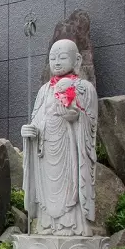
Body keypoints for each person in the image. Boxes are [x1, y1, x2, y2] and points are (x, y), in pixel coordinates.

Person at [21, 39, 98, 237]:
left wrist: (76, 116)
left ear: (77, 60)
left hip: (69, 147)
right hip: (45, 149)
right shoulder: (44, 90)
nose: (56, 62)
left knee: (69, 185)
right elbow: (38, 119)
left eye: (62, 57)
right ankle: (46, 226)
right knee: (46, 189)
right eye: (52, 58)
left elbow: (90, 122)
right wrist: (29, 132)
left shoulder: (84, 87)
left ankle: (72, 227)